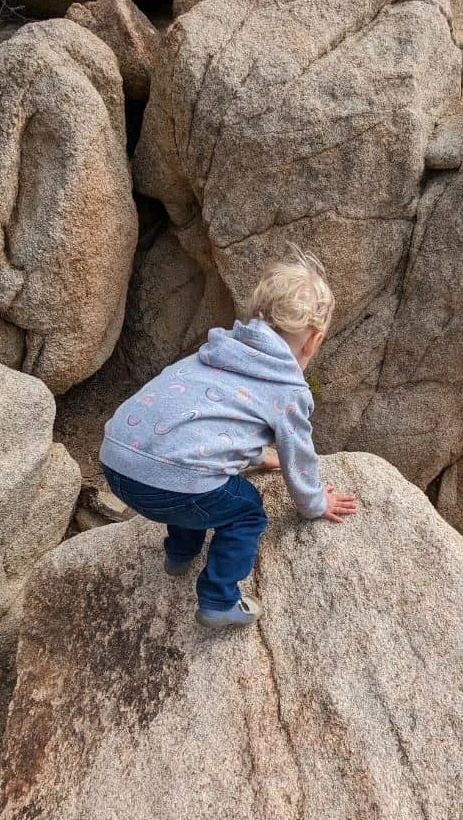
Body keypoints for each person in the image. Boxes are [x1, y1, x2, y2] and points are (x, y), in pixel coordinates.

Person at [99, 247, 357, 628]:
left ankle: (180, 554)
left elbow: (205, 426)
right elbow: (299, 457)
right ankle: (219, 600)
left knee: (192, 476)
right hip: (168, 484)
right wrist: (315, 503)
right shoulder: (287, 388)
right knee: (245, 509)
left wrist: (261, 459)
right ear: (314, 341)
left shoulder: (217, 352)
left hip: (115, 459)